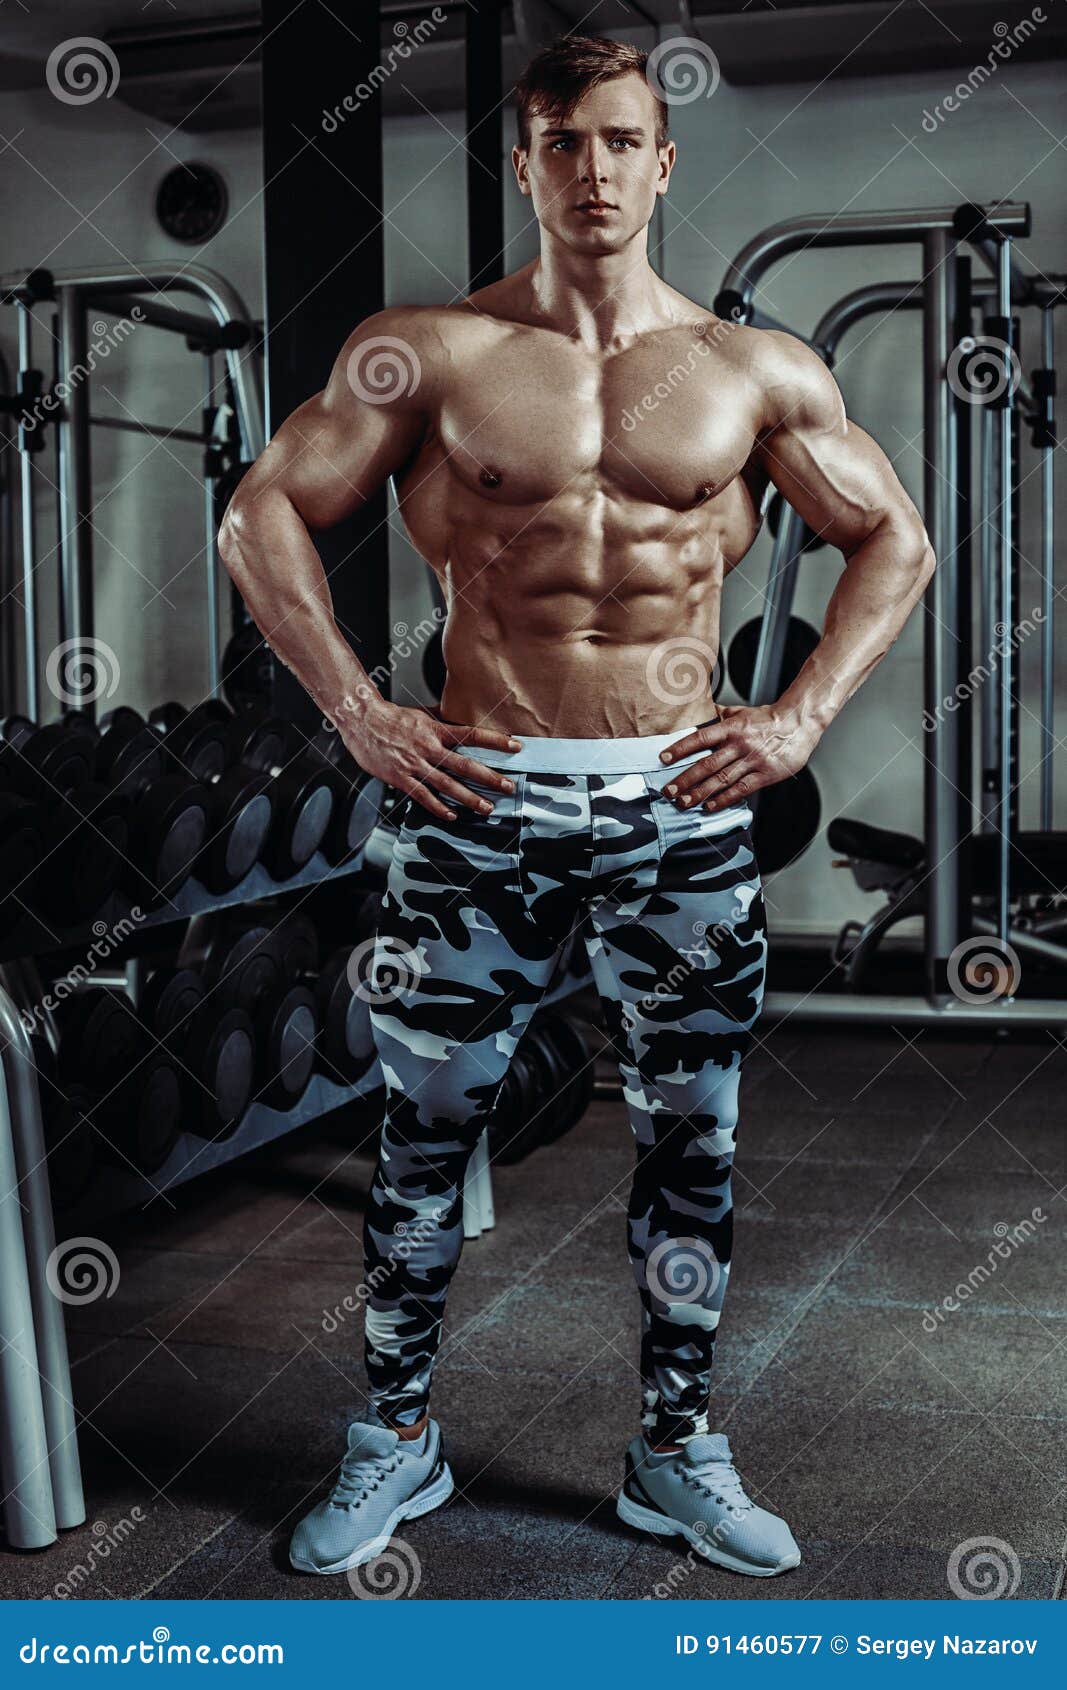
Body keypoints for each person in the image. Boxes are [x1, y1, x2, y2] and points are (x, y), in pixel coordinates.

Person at [218, 33, 934, 1582]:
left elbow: (898, 542)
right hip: (476, 803)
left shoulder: (756, 369)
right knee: (422, 1132)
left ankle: (674, 1449)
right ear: (525, 163)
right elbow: (260, 507)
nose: (593, 171)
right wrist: (359, 710)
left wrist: (801, 714)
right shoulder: (432, 354)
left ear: (663, 163)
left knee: (695, 1134)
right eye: (561, 142)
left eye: (621, 141)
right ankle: (395, 1435)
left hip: (678, 807)